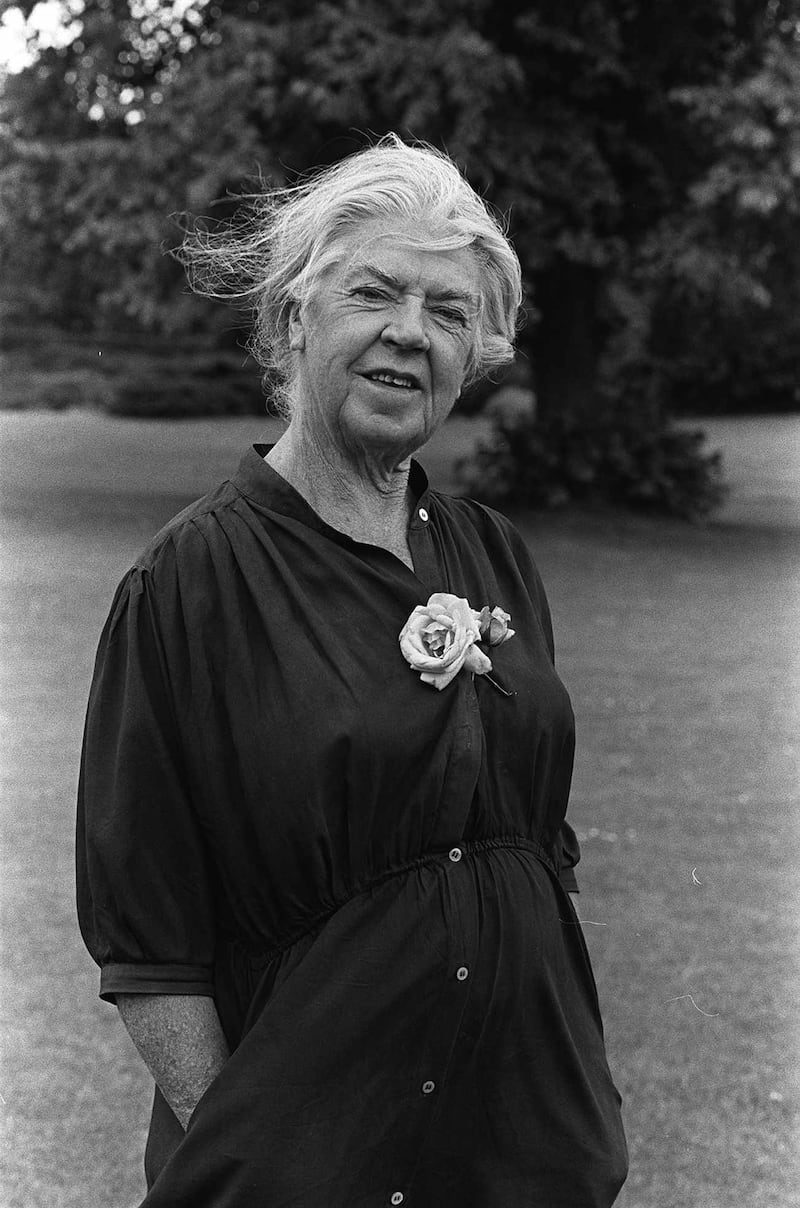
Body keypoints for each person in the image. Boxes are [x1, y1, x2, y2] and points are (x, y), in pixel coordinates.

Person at [76, 134, 628, 1207]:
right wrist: (263, 1152)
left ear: (476, 349)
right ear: (291, 316)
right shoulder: (189, 585)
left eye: (449, 310)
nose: (409, 334)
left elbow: (533, 853)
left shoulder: (492, 555)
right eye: (374, 291)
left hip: (523, 1165)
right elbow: (149, 945)